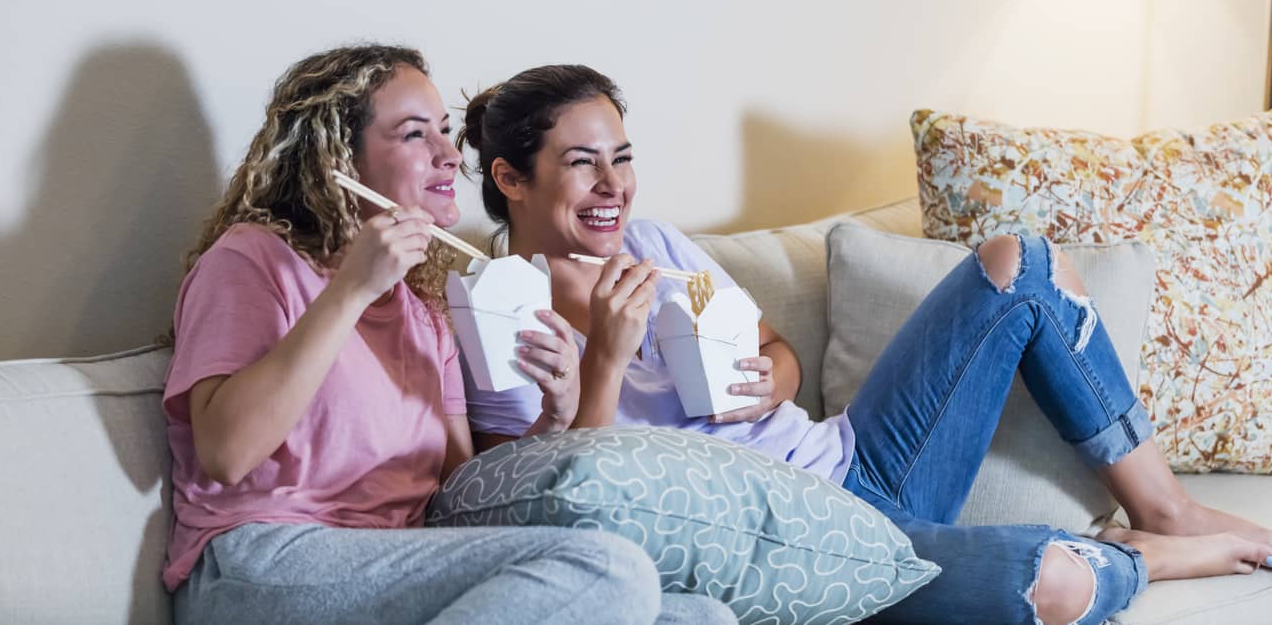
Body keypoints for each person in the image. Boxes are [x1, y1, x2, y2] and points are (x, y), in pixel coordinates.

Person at [456, 63, 1272, 625]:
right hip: (800, 542)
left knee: (1018, 262)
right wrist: (603, 366)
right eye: (581, 163)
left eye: (622, 159)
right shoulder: (501, 318)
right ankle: (1151, 556)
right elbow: (554, 509)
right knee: (1049, 580)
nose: (613, 186)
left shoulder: (658, 244)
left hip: (856, 462)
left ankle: (1163, 505)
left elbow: (779, 349)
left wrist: (769, 381)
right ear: (510, 179)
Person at [161, 45, 735, 625]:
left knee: (703, 618)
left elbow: (461, 496)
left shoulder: (423, 309)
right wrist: (349, 292)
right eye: (415, 135)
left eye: (443, 131)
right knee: (609, 568)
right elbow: (226, 454)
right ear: (337, 155)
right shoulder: (253, 260)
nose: (447, 154)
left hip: (400, 558)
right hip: (262, 561)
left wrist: (557, 416)